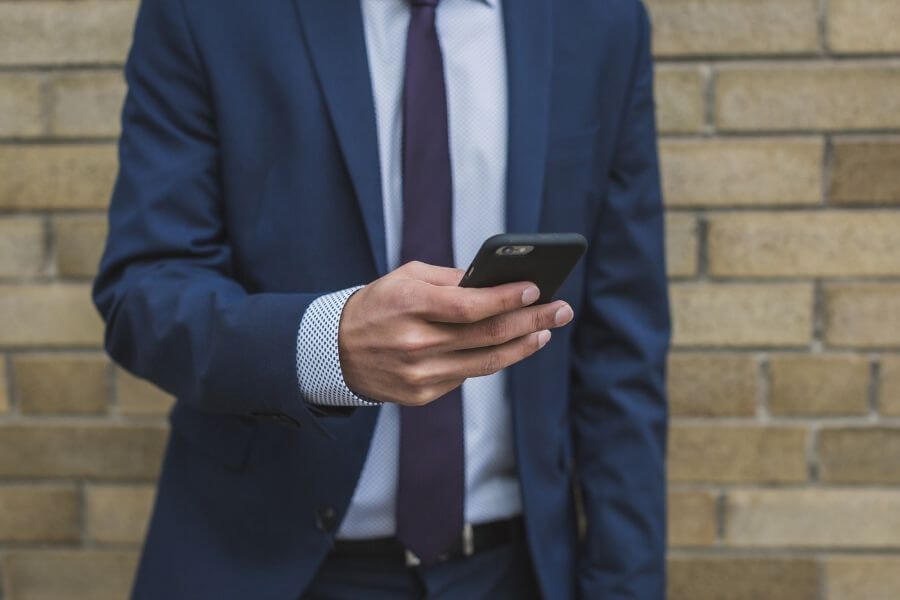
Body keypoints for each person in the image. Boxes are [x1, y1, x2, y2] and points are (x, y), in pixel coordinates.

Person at [92, 0, 671, 597]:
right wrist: (325, 349)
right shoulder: (205, 14)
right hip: (270, 566)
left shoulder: (599, 20)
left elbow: (621, 348)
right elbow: (145, 291)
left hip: (512, 571)